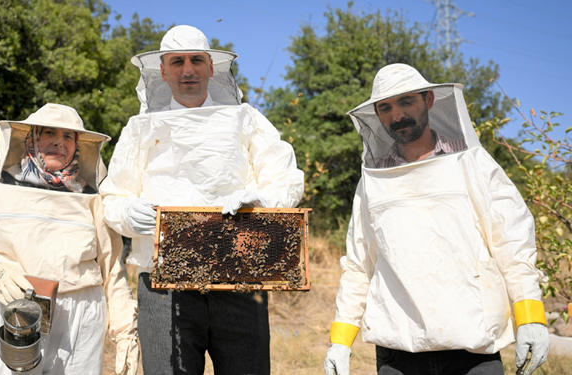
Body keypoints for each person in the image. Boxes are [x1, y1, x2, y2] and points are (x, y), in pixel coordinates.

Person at [100, 25, 304, 375]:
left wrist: (262, 198)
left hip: (239, 277)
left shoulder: (246, 119)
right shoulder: (139, 128)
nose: (188, 70)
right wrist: (129, 214)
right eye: (177, 62)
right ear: (162, 71)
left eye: (196, 60)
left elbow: (285, 179)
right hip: (162, 283)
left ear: (211, 66)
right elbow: (112, 198)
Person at [323, 64, 549, 375]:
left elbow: (512, 241)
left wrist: (530, 316)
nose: (396, 115)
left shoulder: (472, 162)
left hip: (472, 346)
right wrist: (341, 339)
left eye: (406, 102)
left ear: (429, 99)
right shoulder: (373, 179)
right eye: (385, 107)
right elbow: (359, 263)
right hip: (398, 351)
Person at [0, 103, 139, 375]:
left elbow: (111, 269)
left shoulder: (93, 201)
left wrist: (125, 330)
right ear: (30, 138)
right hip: (4, 316)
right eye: (49, 132)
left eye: (68, 137)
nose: (59, 142)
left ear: (78, 146)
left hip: (76, 326)